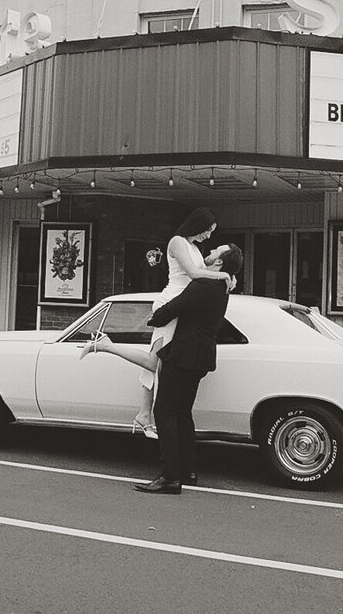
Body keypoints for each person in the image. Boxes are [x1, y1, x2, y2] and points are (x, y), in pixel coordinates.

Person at [80, 207, 233, 437]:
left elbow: (203, 273)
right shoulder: (177, 242)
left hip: (182, 307)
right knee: (155, 361)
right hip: (169, 305)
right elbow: (194, 273)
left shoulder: (194, 247)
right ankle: (105, 345)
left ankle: (144, 413)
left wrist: (230, 275)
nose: (208, 236)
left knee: (159, 360)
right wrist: (223, 275)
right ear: (198, 224)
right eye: (207, 230)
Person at [134, 242, 243, 494]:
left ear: (219, 262)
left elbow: (171, 309)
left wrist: (154, 318)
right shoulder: (223, 286)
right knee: (182, 413)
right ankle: (188, 471)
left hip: (183, 354)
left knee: (164, 411)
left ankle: (170, 477)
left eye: (215, 251)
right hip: (201, 356)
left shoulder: (204, 284)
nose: (209, 252)